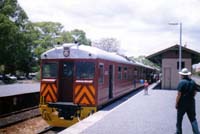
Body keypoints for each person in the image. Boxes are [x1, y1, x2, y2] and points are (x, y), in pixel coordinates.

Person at [175, 68, 200, 134]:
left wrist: (176, 103)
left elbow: (179, 94)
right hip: (191, 103)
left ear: (182, 75)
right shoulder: (193, 82)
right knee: (193, 119)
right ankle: (197, 132)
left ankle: (179, 132)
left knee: (179, 119)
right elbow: (195, 92)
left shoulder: (181, 82)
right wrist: (191, 98)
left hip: (182, 104)